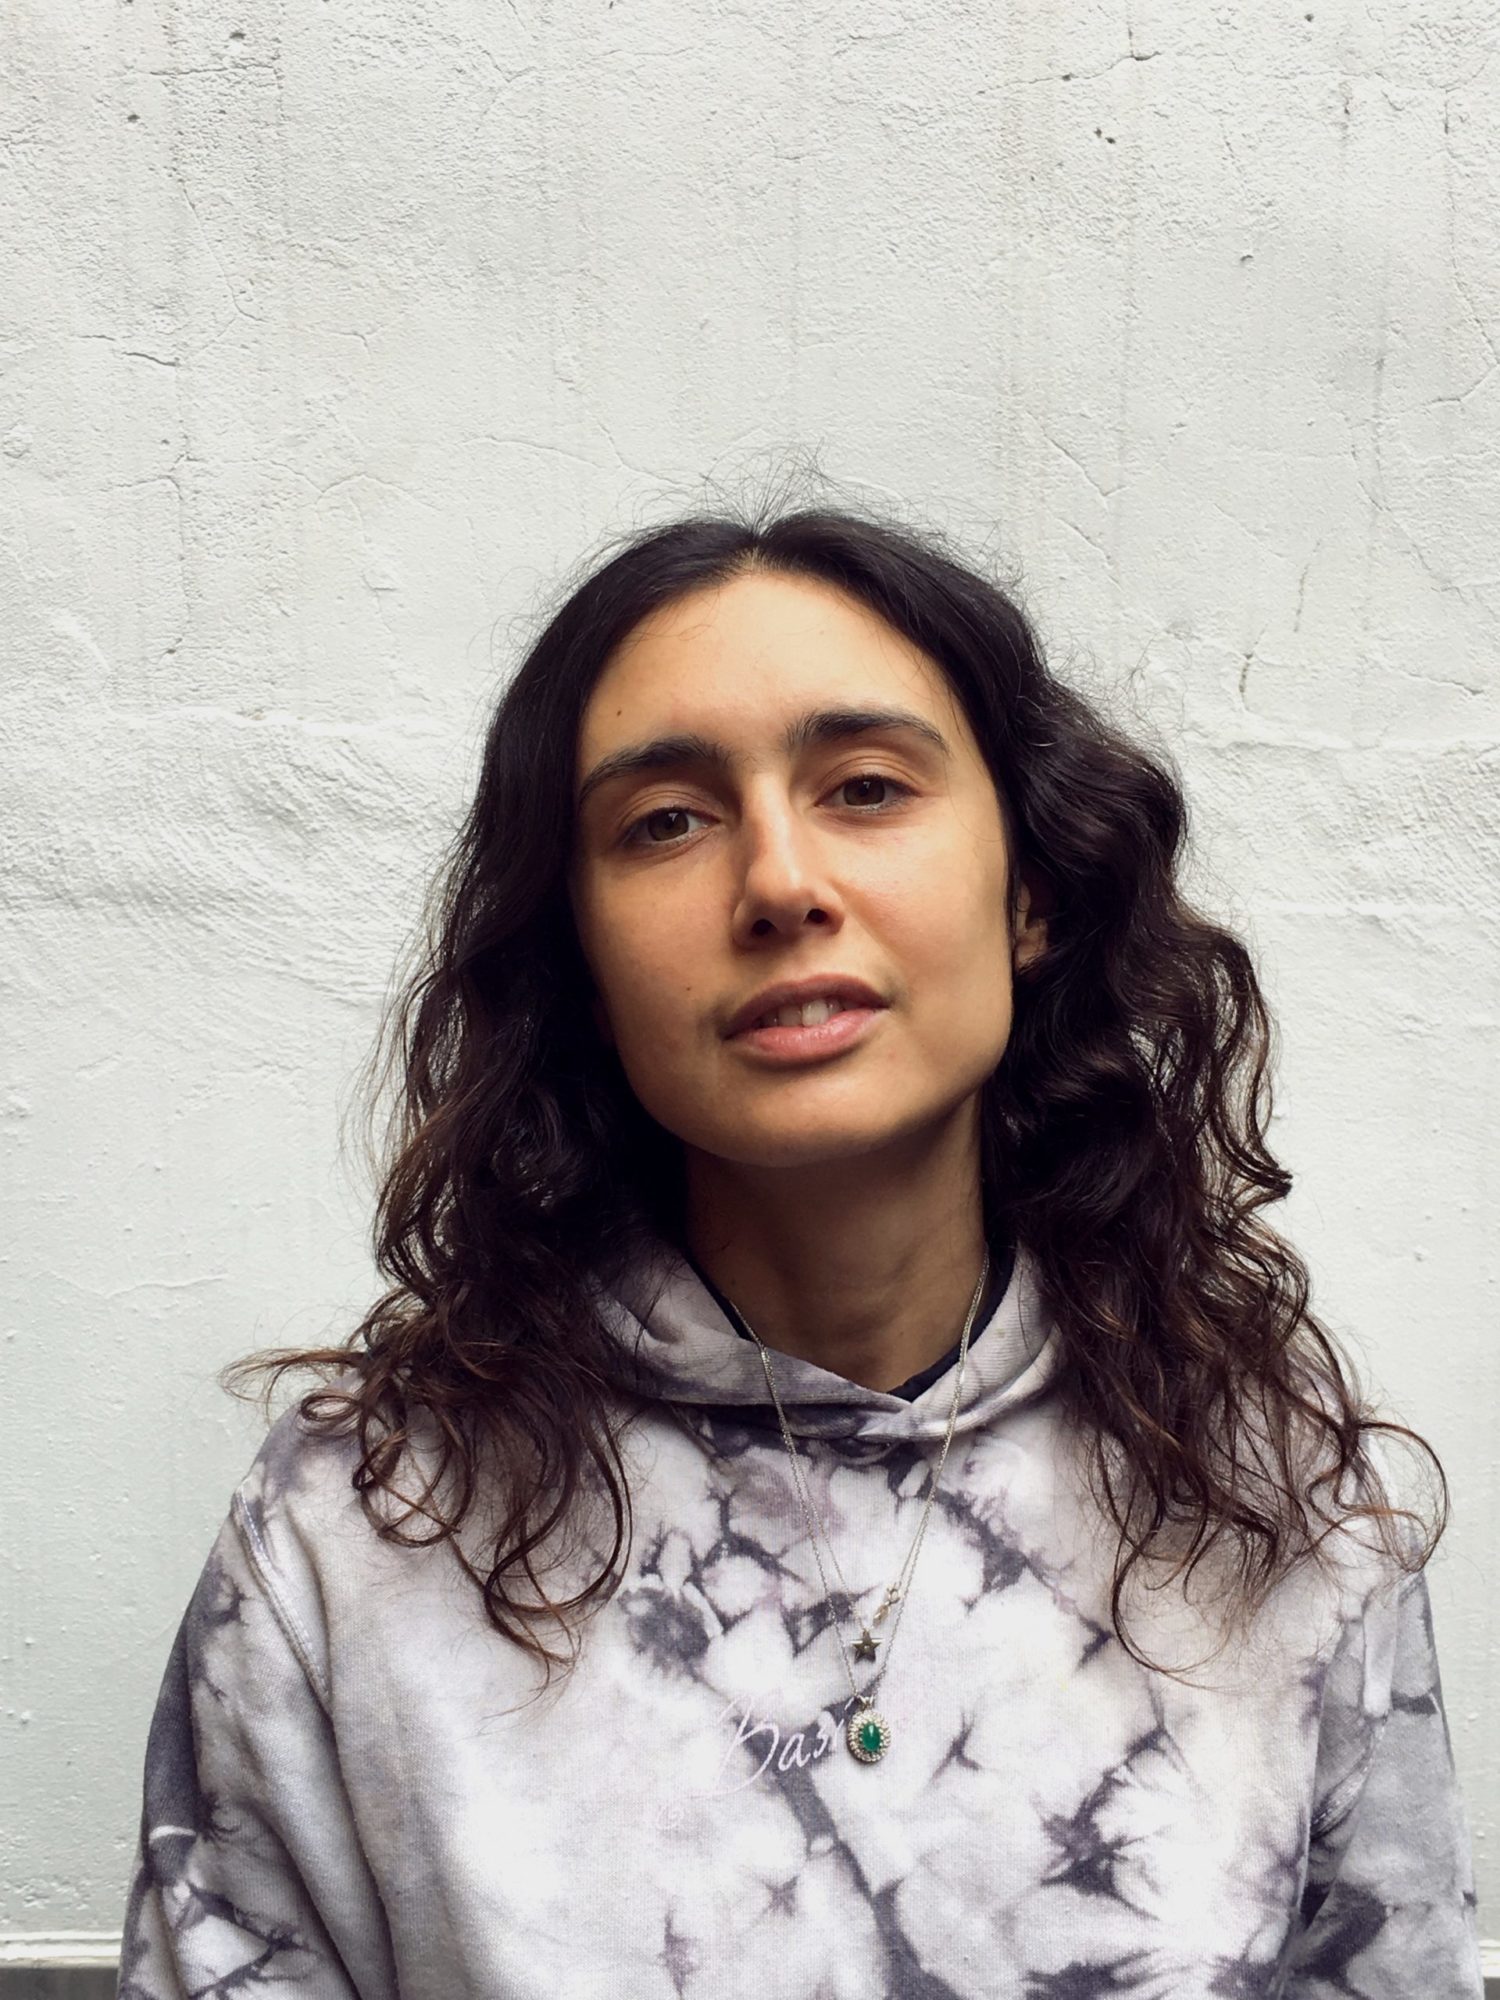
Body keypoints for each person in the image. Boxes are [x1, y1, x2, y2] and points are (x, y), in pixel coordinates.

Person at [117, 501, 1485, 1999]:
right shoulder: (360, 1532)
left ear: (1030, 892)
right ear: (577, 952)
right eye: (666, 823)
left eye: (868, 788)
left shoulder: (1272, 1513)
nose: (780, 882)